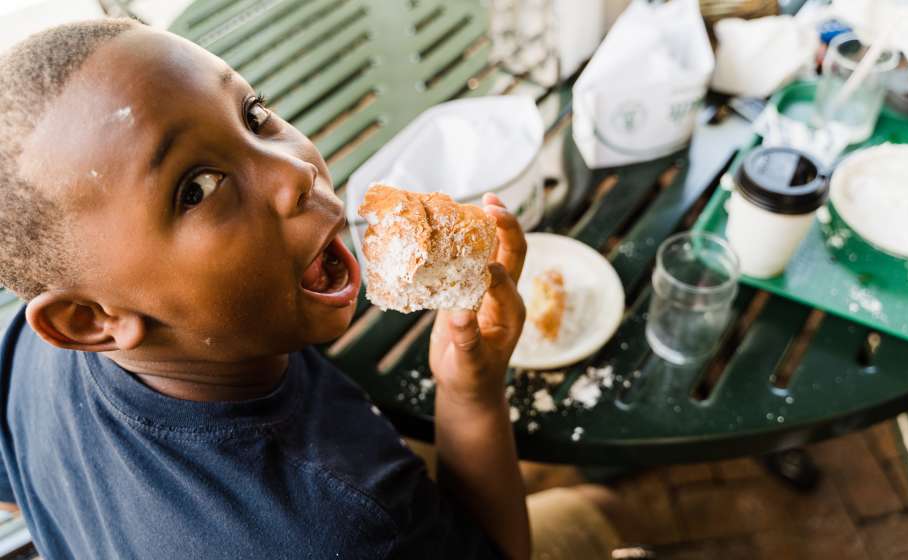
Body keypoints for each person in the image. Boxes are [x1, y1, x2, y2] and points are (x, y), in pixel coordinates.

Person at [0, 18, 533, 559]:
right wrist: (472, 393)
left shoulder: (20, 349)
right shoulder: (351, 525)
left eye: (253, 117)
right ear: (91, 320)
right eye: (197, 188)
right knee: (607, 500)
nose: (295, 171)